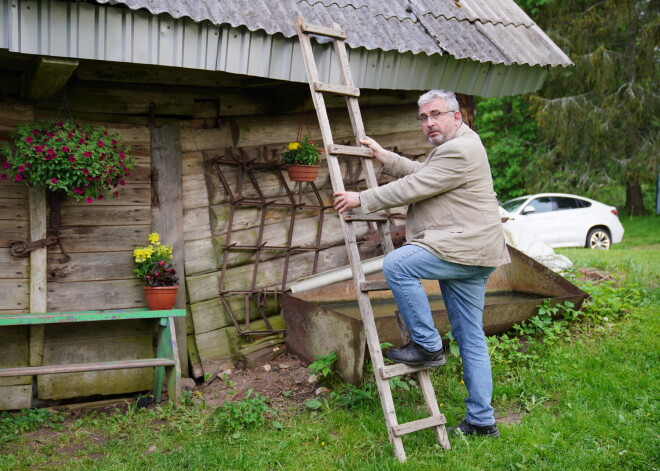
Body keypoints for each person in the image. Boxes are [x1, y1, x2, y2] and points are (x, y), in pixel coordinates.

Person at [333, 89, 510, 438]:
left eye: (436, 114)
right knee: (470, 336)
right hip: (473, 251)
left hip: (462, 247)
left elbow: (415, 185)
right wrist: (386, 157)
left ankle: (428, 347)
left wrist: (361, 198)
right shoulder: (456, 146)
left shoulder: (460, 149)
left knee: (398, 265)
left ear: (456, 116)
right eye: (424, 117)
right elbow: (424, 172)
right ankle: (481, 421)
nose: (429, 123)